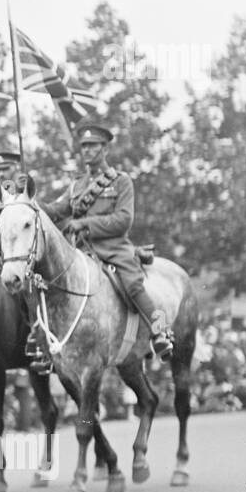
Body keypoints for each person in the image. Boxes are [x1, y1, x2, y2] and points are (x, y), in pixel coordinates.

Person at [39, 120, 174, 360]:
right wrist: (29, 200)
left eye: (93, 145)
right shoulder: (76, 186)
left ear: (105, 149)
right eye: (84, 146)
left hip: (113, 249)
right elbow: (55, 211)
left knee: (133, 285)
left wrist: (84, 224)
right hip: (81, 252)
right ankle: (45, 345)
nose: (87, 150)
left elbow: (124, 220)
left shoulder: (121, 181)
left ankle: (160, 331)